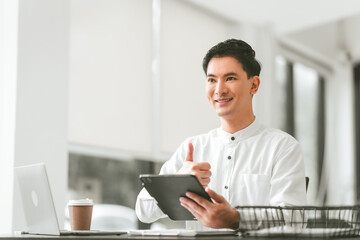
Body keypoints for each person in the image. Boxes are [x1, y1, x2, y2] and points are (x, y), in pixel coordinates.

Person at [135, 39, 307, 230]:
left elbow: (295, 221)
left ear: (254, 85)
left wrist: (237, 219)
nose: (219, 89)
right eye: (211, 80)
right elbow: (142, 210)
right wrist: (178, 181)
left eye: (230, 78)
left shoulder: (283, 147)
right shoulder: (192, 147)